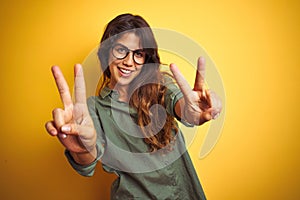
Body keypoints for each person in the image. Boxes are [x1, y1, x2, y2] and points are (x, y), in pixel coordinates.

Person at [45, 13, 222, 200]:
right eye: (121, 50)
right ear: (106, 53)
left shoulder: (162, 86)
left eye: (138, 54)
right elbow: (87, 159)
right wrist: (82, 149)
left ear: (146, 59)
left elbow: (181, 106)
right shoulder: (93, 110)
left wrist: (192, 111)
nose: (129, 62)